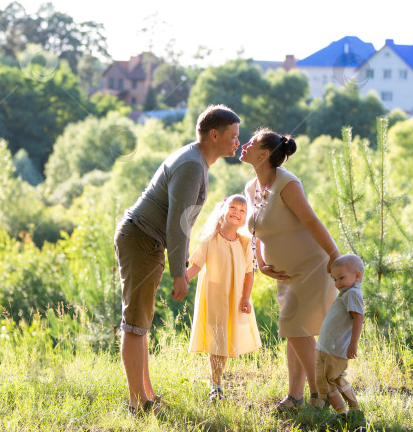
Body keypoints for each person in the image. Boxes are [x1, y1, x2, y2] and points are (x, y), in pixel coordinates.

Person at [114, 104, 241, 413]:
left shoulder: (196, 160)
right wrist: (179, 272)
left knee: (140, 323)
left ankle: (147, 397)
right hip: (143, 239)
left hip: (147, 241)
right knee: (134, 325)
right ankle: (136, 405)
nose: (238, 142)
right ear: (214, 135)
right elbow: (177, 223)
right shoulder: (192, 166)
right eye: (233, 136)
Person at [239, 128, 339, 413]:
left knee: (294, 328)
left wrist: (335, 255)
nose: (244, 145)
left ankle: (320, 393)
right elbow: (256, 232)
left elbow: (310, 220)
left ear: (264, 154)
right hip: (285, 273)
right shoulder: (251, 187)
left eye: (252, 142)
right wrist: (261, 263)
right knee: (298, 331)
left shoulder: (287, 183)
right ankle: (295, 396)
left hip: (312, 267)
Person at [186, 194, 262, 402]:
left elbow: (249, 273)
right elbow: (196, 266)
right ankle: (216, 384)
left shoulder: (246, 243)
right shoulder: (210, 240)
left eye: (242, 210)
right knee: (218, 341)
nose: (237, 212)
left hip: (235, 298)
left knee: (226, 341)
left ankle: (215, 380)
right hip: (215, 298)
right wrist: (182, 281)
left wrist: (246, 298)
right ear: (223, 210)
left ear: (246, 218)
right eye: (233, 207)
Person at [311, 254, 366, 430]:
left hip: (333, 349)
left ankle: (342, 415)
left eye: (341, 277)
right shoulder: (348, 293)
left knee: (326, 381)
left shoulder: (353, 294)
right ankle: (355, 412)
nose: (338, 283)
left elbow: (358, 318)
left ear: (357, 276)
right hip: (328, 348)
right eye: (335, 279)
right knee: (337, 379)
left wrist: (353, 344)